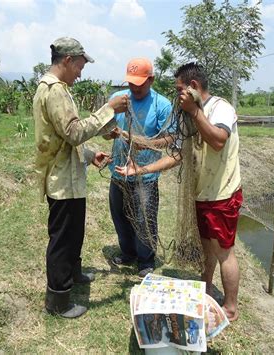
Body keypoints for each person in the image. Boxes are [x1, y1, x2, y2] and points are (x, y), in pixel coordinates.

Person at [116, 63, 243, 321]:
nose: (177, 96)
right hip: (202, 193)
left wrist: (194, 111)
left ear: (193, 87)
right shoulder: (190, 115)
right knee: (207, 247)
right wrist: (139, 169)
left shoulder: (220, 108)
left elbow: (218, 141)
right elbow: (177, 155)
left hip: (222, 194)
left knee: (223, 252)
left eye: (179, 90)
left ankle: (230, 307)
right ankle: (205, 289)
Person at [33, 37, 128, 318]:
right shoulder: (54, 91)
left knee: (74, 233)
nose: (81, 72)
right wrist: (109, 108)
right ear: (67, 60)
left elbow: (64, 138)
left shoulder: (57, 88)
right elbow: (73, 131)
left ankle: (73, 274)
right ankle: (58, 300)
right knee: (62, 239)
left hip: (70, 177)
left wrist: (88, 155)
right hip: (61, 182)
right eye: (80, 66)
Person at [106, 58, 172, 278]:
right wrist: (110, 133)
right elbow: (105, 129)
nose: (135, 88)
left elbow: (170, 137)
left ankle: (145, 259)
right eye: (131, 83)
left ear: (151, 80)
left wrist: (146, 143)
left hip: (145, 173)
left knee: (145, 219)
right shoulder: (118, 99)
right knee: (119, 215)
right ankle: (128, 253)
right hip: (119, 169)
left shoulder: (162, 104)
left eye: (140, 83)